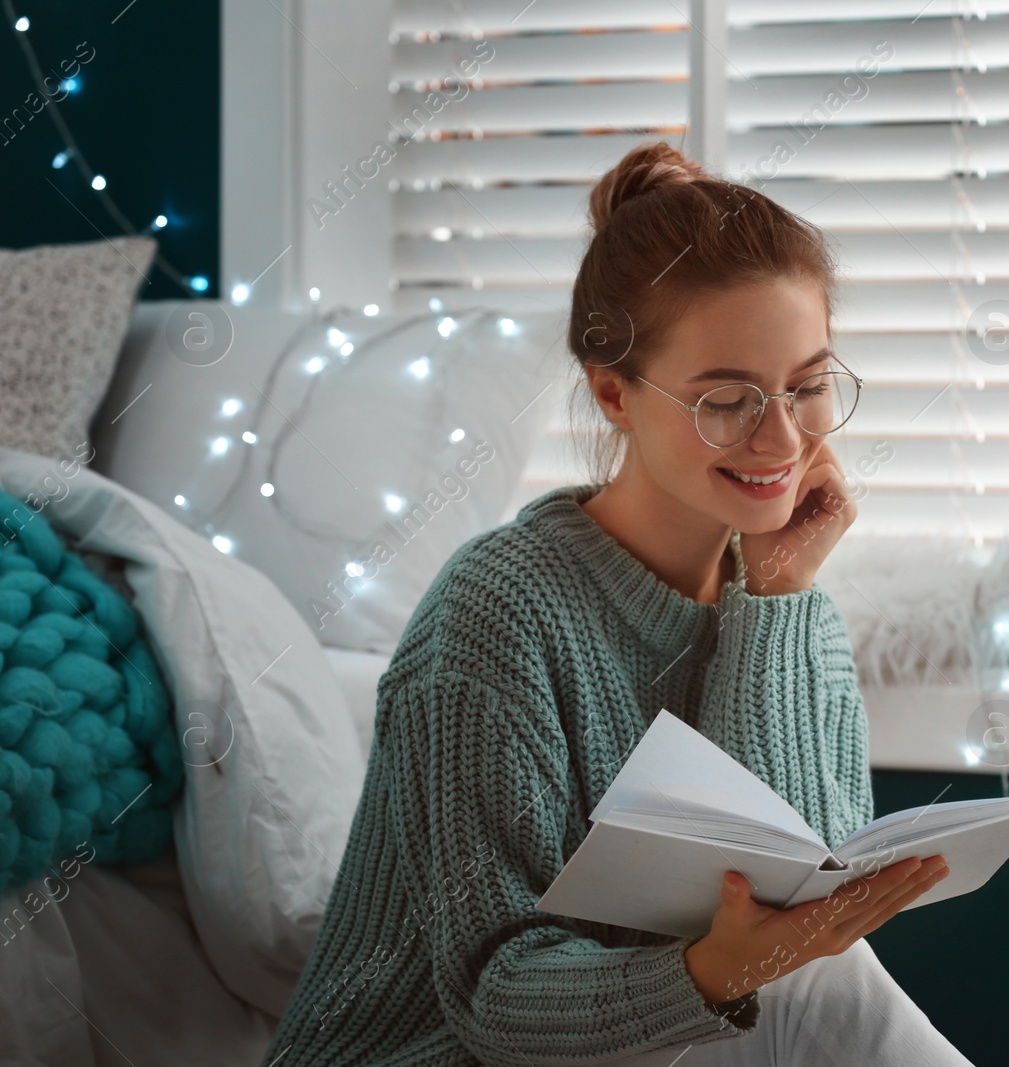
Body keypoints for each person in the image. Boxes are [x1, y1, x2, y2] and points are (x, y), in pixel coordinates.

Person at [261, 141, 971, 1067]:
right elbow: (491, 999)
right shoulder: (500, 608)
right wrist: (711, 971)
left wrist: (777, 594)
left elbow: (798, 914)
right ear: (613, 393)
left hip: (662, 1048)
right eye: (728, 399)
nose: (783, 437)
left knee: (826, 976)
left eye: (807, 387)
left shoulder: (796, 618)